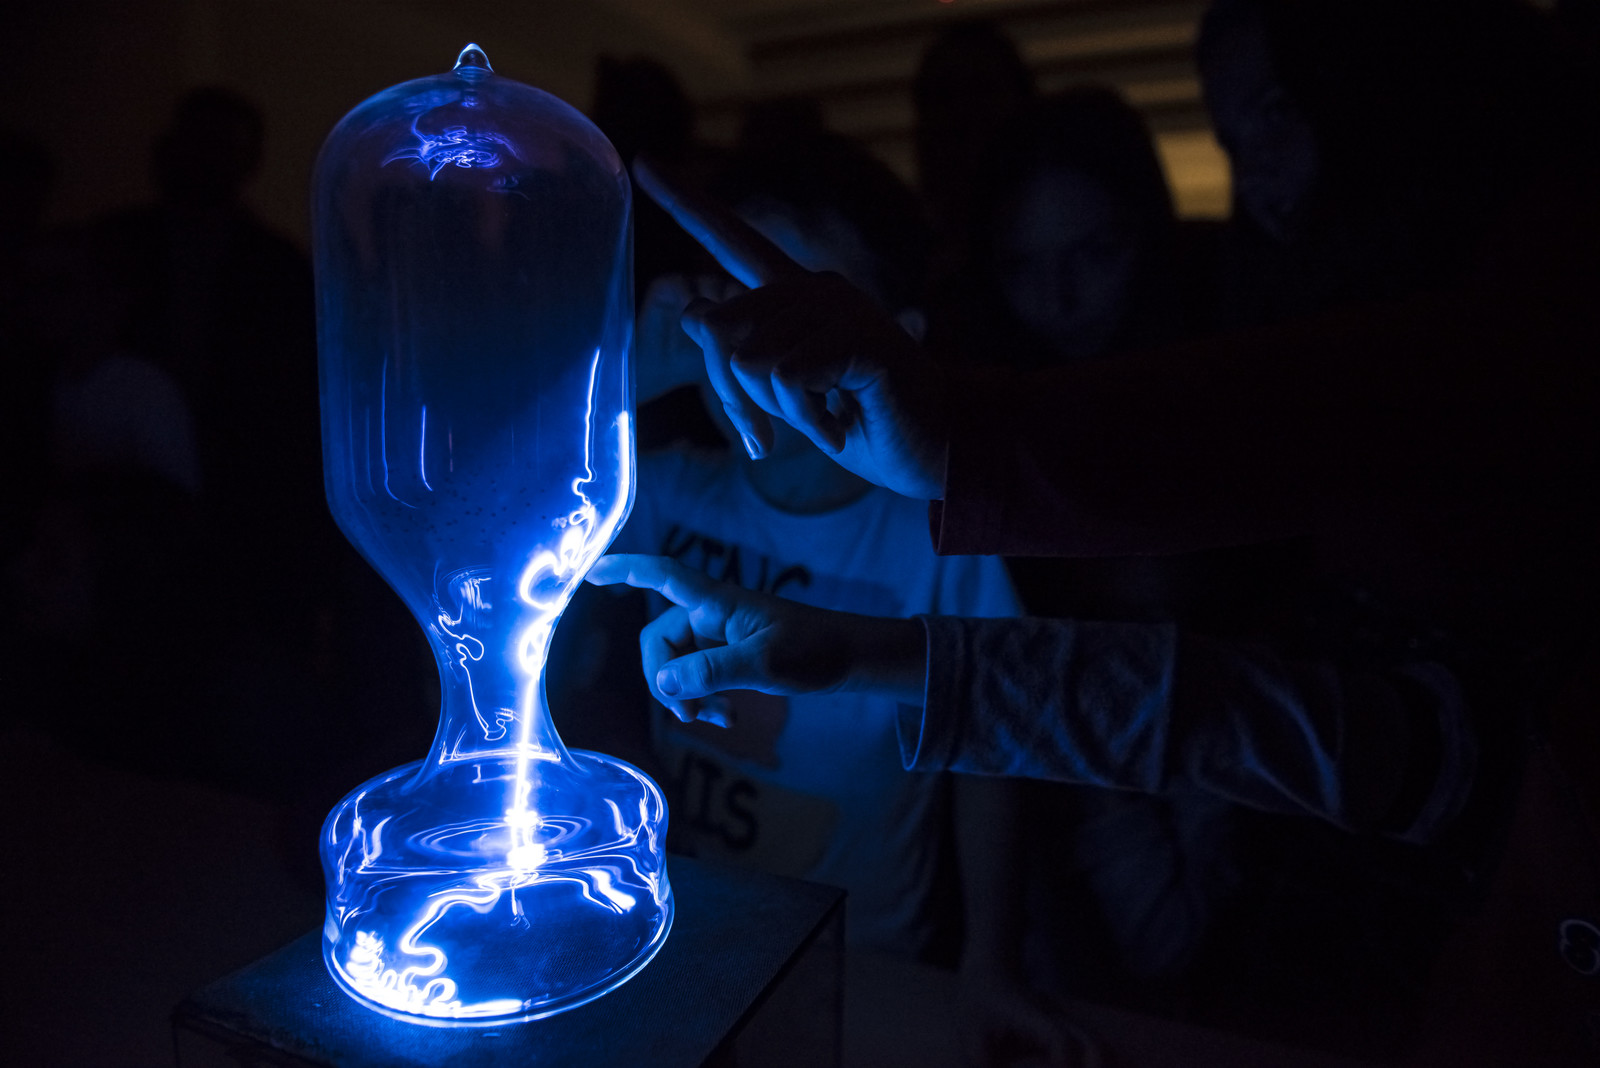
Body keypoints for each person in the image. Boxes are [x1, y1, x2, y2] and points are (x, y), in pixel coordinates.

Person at [567, 131, 1079, 1061]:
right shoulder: (663, 487)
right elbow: (499, 507)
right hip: (684, 926)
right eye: (730, 294)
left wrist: (988, 962)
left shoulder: (938, 537)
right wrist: (631, 379)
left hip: (864, 956)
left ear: (898, 339)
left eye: (795, 304)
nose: (750, 340)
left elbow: (989, 756)